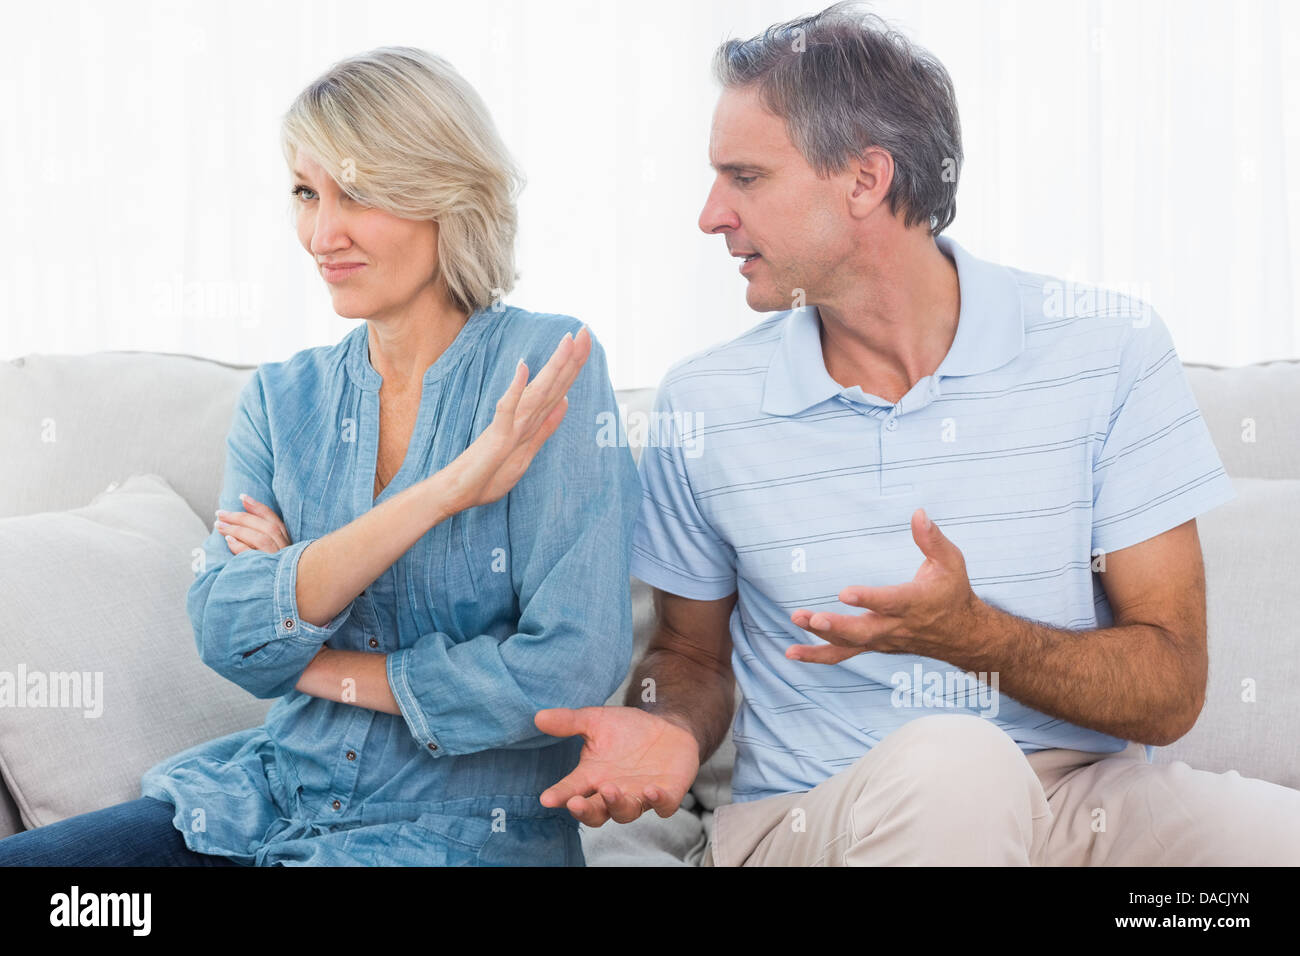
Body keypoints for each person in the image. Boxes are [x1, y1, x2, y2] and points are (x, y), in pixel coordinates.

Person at [535, 1, 1300, 866]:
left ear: (865, 180)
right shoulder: (705, 403)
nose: (711, 214)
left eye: (745, 178)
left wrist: (976, 637)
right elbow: (688, 652)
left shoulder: (1106, 351)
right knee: (957, 767)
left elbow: (1169, 690)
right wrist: (672, 722)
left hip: (1078, 807)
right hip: (819, 819)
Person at [0, 46, 639, 867]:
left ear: (444, 193)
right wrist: (445, 491)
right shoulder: (282, 398)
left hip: (461, 832)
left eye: (358, 193)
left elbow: (566, 672)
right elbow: (226, 631)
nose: (320, 233)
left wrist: (310, 653)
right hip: (261, 800)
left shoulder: (547, 368)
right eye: (306, 193)